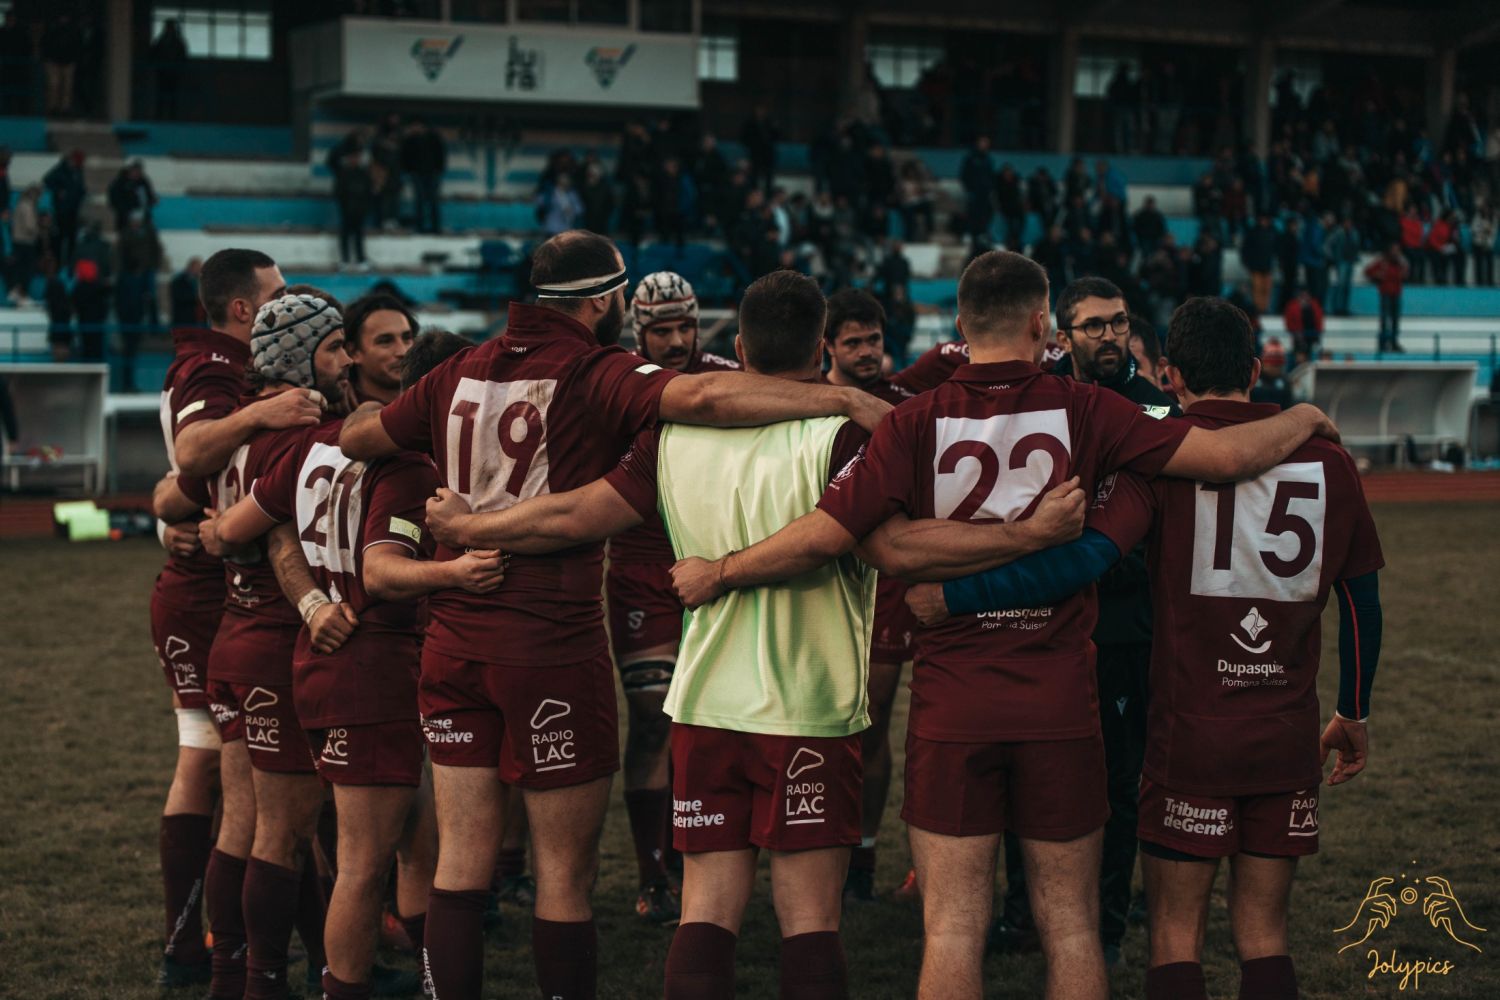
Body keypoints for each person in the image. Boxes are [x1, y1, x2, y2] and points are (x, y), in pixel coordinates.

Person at [665, 250, 1341, 1000]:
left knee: (953, 929)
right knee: (1073, 928)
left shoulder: (915, 418)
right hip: (1059, 699)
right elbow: (1225, 455)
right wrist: (1305, 416)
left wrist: (720, 571)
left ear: (960, 326)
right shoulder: (1088, 408)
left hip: (954, 703)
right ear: (1042, 324)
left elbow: (850, 538)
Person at [418, 270, 1079, 998]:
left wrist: (474, 526)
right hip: (808, 708)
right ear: (821, 349)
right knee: (810, 920)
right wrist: (1026, 538)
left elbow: (575, 514)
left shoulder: (670, 437)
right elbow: (880, 546)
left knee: (705, 910)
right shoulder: (843, 437)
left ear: (737, 349)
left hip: (704, 703)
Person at [336, 231, 890, 1000]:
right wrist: (841, 395)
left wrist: (447, 494)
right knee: (566, 877)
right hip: (550, 641)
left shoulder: (459, 368)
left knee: (459, 864)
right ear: (603, 300)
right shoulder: (594, 369)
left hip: (455, 636)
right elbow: (701, 399)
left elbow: (357, 435)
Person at [910, 295, 1383, 1000]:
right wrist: (1353, 711)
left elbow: (1082, 561)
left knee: (1174, 939)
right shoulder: (1332, 463)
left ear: (1171, 377)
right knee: (1264, 936)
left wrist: (956, 596)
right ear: (1256, 370)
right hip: (1285, 732)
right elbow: (1362, 603)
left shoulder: (1160, 460)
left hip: (1189, 734)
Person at [196, 331, 475, 1000]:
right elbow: (383, 573)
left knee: (408, 838)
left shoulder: (315, 444)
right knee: (360, 865)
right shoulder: (409, 466)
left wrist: (212, 534)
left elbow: (239, 529)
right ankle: (334, 985)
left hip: (321, 660)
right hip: (369, 667)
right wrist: (458, 570)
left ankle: (416, 976)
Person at [163, 292, 355, 1000]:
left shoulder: (235, 431)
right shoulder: (303, 436)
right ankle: (261, 982)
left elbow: (172, 495)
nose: (347, 360)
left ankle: (232, 977)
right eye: (334, 348)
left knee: (243, 824)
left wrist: (186, 525)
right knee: (283, 832)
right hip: (279, 645)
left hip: (232, 640)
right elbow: (270, 530)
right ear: (300, 358)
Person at [144, 249, 313, 994]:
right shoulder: (217, 367)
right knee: (215, 768)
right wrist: (259, 413)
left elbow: (177, 487)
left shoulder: (215, 364)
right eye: (277, 293)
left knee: (247, 786)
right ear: (243, 308)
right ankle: (203, 948)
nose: (287, 302)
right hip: (212, 595)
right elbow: (192, 455)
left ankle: (224, 948)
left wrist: (167, 514)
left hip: (220, 588)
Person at [1045, 277, 1179, 967]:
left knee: (1118, 785)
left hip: (1122, 627)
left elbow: (1165, 525)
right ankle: (1024, 914)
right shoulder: (1039, 397)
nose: (1109, 336)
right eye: (1094, 325)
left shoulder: (1155, 408)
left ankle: (1109, 929)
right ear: (1062, 335)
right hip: (1042, 621)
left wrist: (1100, 562)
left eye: (1119, 323)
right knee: (1038, 778)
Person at [604, 271, 738, 925]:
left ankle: (695, 856)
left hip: (715, 566)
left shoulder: (724, 378)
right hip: (640, 572)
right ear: (641, 331)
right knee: (653, 719)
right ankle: (654, 875)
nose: (679, 340)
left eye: (687, 325)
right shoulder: (617, 384)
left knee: (709, 722)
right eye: (663, 329)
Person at [820, 289, 917, 902]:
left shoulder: (903, 402)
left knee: (872, 720)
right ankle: (815, 846)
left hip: (889, 582)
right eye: (852, 341)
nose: (865, 352)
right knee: (822, 721)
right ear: (827, 346)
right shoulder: (811, 404)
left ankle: (862, 855)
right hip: (822, 576)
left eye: (873, 340)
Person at [342, 293, 418, 405]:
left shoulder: (434, 403)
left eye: (407, 338)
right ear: (354, 352)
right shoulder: (330, 410)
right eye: (385, 341)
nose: (403, 352)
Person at [402, 118, 447, 235]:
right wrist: (410, 170)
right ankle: (419, 227)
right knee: (419, 201)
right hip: (417, 174)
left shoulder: (433, 137)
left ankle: (436, 227)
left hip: (432, 173)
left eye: (416, 126)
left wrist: (439, 169)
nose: (414, 129)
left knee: (433, 200)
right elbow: (405, 155)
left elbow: (440, 154)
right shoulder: (410, 140)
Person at [43, 150, 85, 268]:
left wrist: (82, 194)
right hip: (62, 210)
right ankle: (58, 264)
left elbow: (80, 187)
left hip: (73, 210)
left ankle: (70, 264)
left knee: (72, 239)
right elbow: (47, 180)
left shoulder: (78, 171)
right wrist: (58, 191)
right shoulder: (61, 170)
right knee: (60, 239)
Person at [1364, 244, 1409, 353]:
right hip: (1385, 294)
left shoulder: (1401, 263)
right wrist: (1376, 276)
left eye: (1398, 250)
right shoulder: (1382, 262)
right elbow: (1367, 271)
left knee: (1395, 320)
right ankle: (1383, 344)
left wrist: (1404, 273)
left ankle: (1394, 343)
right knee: (1384, 321)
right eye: (1394, 250)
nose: (1396, 253)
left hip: (1396, 294)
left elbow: (1406, 274)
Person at [41, 11, 82, 116]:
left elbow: (77, 46)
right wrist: (47, 58)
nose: (63, 20)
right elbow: (45, 44)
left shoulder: (73, 31)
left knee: (67, 87)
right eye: (61, 17)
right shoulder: (52, 30)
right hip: (53, 62)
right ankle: (52, 107)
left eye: (65, 17)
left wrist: (74, 59)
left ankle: (65, 109)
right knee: (53, 85)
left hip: (68, 62)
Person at [150, 17, 188, 119]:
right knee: (161, 96)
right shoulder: (160, 41)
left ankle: (172, 117)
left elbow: (183, 56)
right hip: (162, 72)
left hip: (173, 73)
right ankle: (159, 117)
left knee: (173, 96)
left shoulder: (178, 42)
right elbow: (153, 54)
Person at [1324, 218, 1361, 316]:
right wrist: (1332, 257)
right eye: (1346, 223)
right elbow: (1328, 244)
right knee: (1341, 285)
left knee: (1347, 286)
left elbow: (1356, 246)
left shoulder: (1354, 233)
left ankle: (1345, 308)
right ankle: (1338, 308)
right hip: (1341, 262)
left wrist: (1356, 257)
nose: (1348, 225)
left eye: (1350, 223)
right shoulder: (1338, 233)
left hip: (1350, 261)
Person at [109, 161, 158, 234]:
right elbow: (114, 198)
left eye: (139, 172)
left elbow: (149, 194)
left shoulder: (143, 181)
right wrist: (123, 209)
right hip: (125, 216)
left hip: (142, 214)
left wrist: (152, 200)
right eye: (135, 171)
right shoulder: (120, 182)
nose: (137, 174)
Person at [1281, 286, 1325, 359]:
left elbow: (1319, 319)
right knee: (1298, 355)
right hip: (1298, 335)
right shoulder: (1292, 306)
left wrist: (1318, 332)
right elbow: (1289, 321)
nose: (1305, 297)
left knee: (1310, 354)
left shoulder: (1314, 304)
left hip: (1311, 334)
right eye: (1303, 295)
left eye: (1306, 295)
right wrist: (1295, 332)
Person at [170, 257, 204, 328]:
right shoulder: (178, 281)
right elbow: (178, 297)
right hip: (183, 319)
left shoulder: (200, 281)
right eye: (197, 267)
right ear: (191, 267)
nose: (199, 270)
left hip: (198, 319)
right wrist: (196, 297)